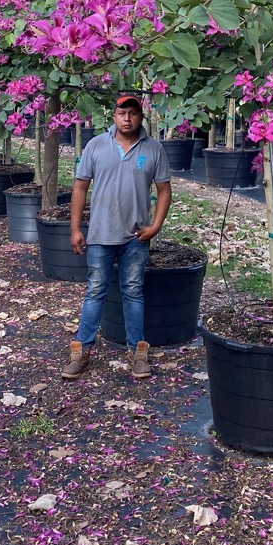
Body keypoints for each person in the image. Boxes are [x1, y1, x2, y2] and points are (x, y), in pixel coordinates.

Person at [61, 92, 172, 381]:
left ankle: (137, 353)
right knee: (95, 291)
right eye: (122, 113)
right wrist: (75, 229)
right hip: (100, 234)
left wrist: (156, 226)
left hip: (136, 237)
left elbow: (164, 191)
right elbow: (80, 188)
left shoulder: (154, 149)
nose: (127, 118)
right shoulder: (96, 145)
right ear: (114, 116)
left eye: (133, 113)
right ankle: (81, 352)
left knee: (133, 291)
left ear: (140, 117)